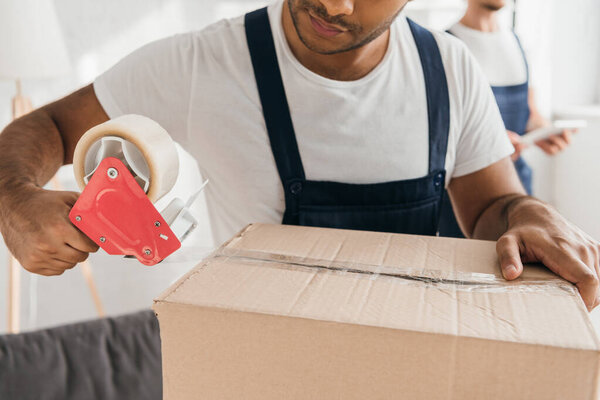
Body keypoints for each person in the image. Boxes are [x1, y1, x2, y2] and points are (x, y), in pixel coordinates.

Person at [0, 0, 598, 310]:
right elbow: (45, 126)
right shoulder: (202, 65)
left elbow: (490, 207)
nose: (334, 6)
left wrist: (525, 214)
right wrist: (15, 199)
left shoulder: (449, 69)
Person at [439, 0, 574, 237]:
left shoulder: (518, 43)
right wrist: (487, 142)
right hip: (467, 195)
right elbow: (439, 129)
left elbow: (530, 112)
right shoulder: (445, 48)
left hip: (518, 184)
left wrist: (542, 132)